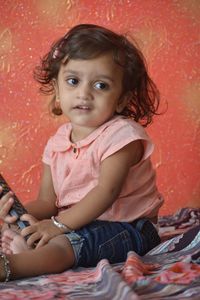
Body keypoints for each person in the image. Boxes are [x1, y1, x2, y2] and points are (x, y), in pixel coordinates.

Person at [0, 24, 164, 282]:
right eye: (73, 81)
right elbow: (47, 202)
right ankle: (31, 248)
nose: (84, 93)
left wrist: (56, 226)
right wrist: (19, 215)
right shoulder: (57, 143)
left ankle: (14, 266)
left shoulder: (122, 136)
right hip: (77, 223)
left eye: (101, 85)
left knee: (67, 244)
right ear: (57, 90)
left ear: (121, 99)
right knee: (26, 229)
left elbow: (105, 193)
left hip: (130, 227)